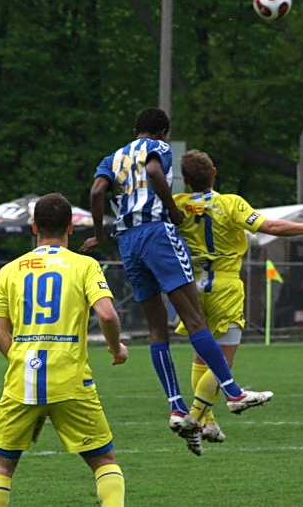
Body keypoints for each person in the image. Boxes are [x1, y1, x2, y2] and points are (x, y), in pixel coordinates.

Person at [80, 107, 273, 445]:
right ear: (163, 132)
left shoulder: (113, 157)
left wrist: (98, 233)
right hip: (156, 233)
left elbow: (97, 192)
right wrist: (171, 208)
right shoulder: (161, 148)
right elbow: (154, 169)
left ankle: (176, 408)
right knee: (194, 319)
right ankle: (233, 393)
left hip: (127, 240)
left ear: (134, 127)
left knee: (157, 328)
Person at [0, 193, 131, 507]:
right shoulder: (84, 265)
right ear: (70, 227)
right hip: (70, 378)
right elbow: (108, 315)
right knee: (103, 459)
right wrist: (116, 349)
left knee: (1, 464)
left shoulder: (10, 270)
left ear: (33, 228)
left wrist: (21, 359)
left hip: (22, 379)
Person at [170, 149, 303, 453]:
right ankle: (194, 418)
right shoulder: (230, 203)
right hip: (224, 285)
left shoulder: (177, 205)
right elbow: (272, 227)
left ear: (185, 180)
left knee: (201, 357)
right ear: (214, 172)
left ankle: (207, 421)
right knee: (223, 360)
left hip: (191, 286)